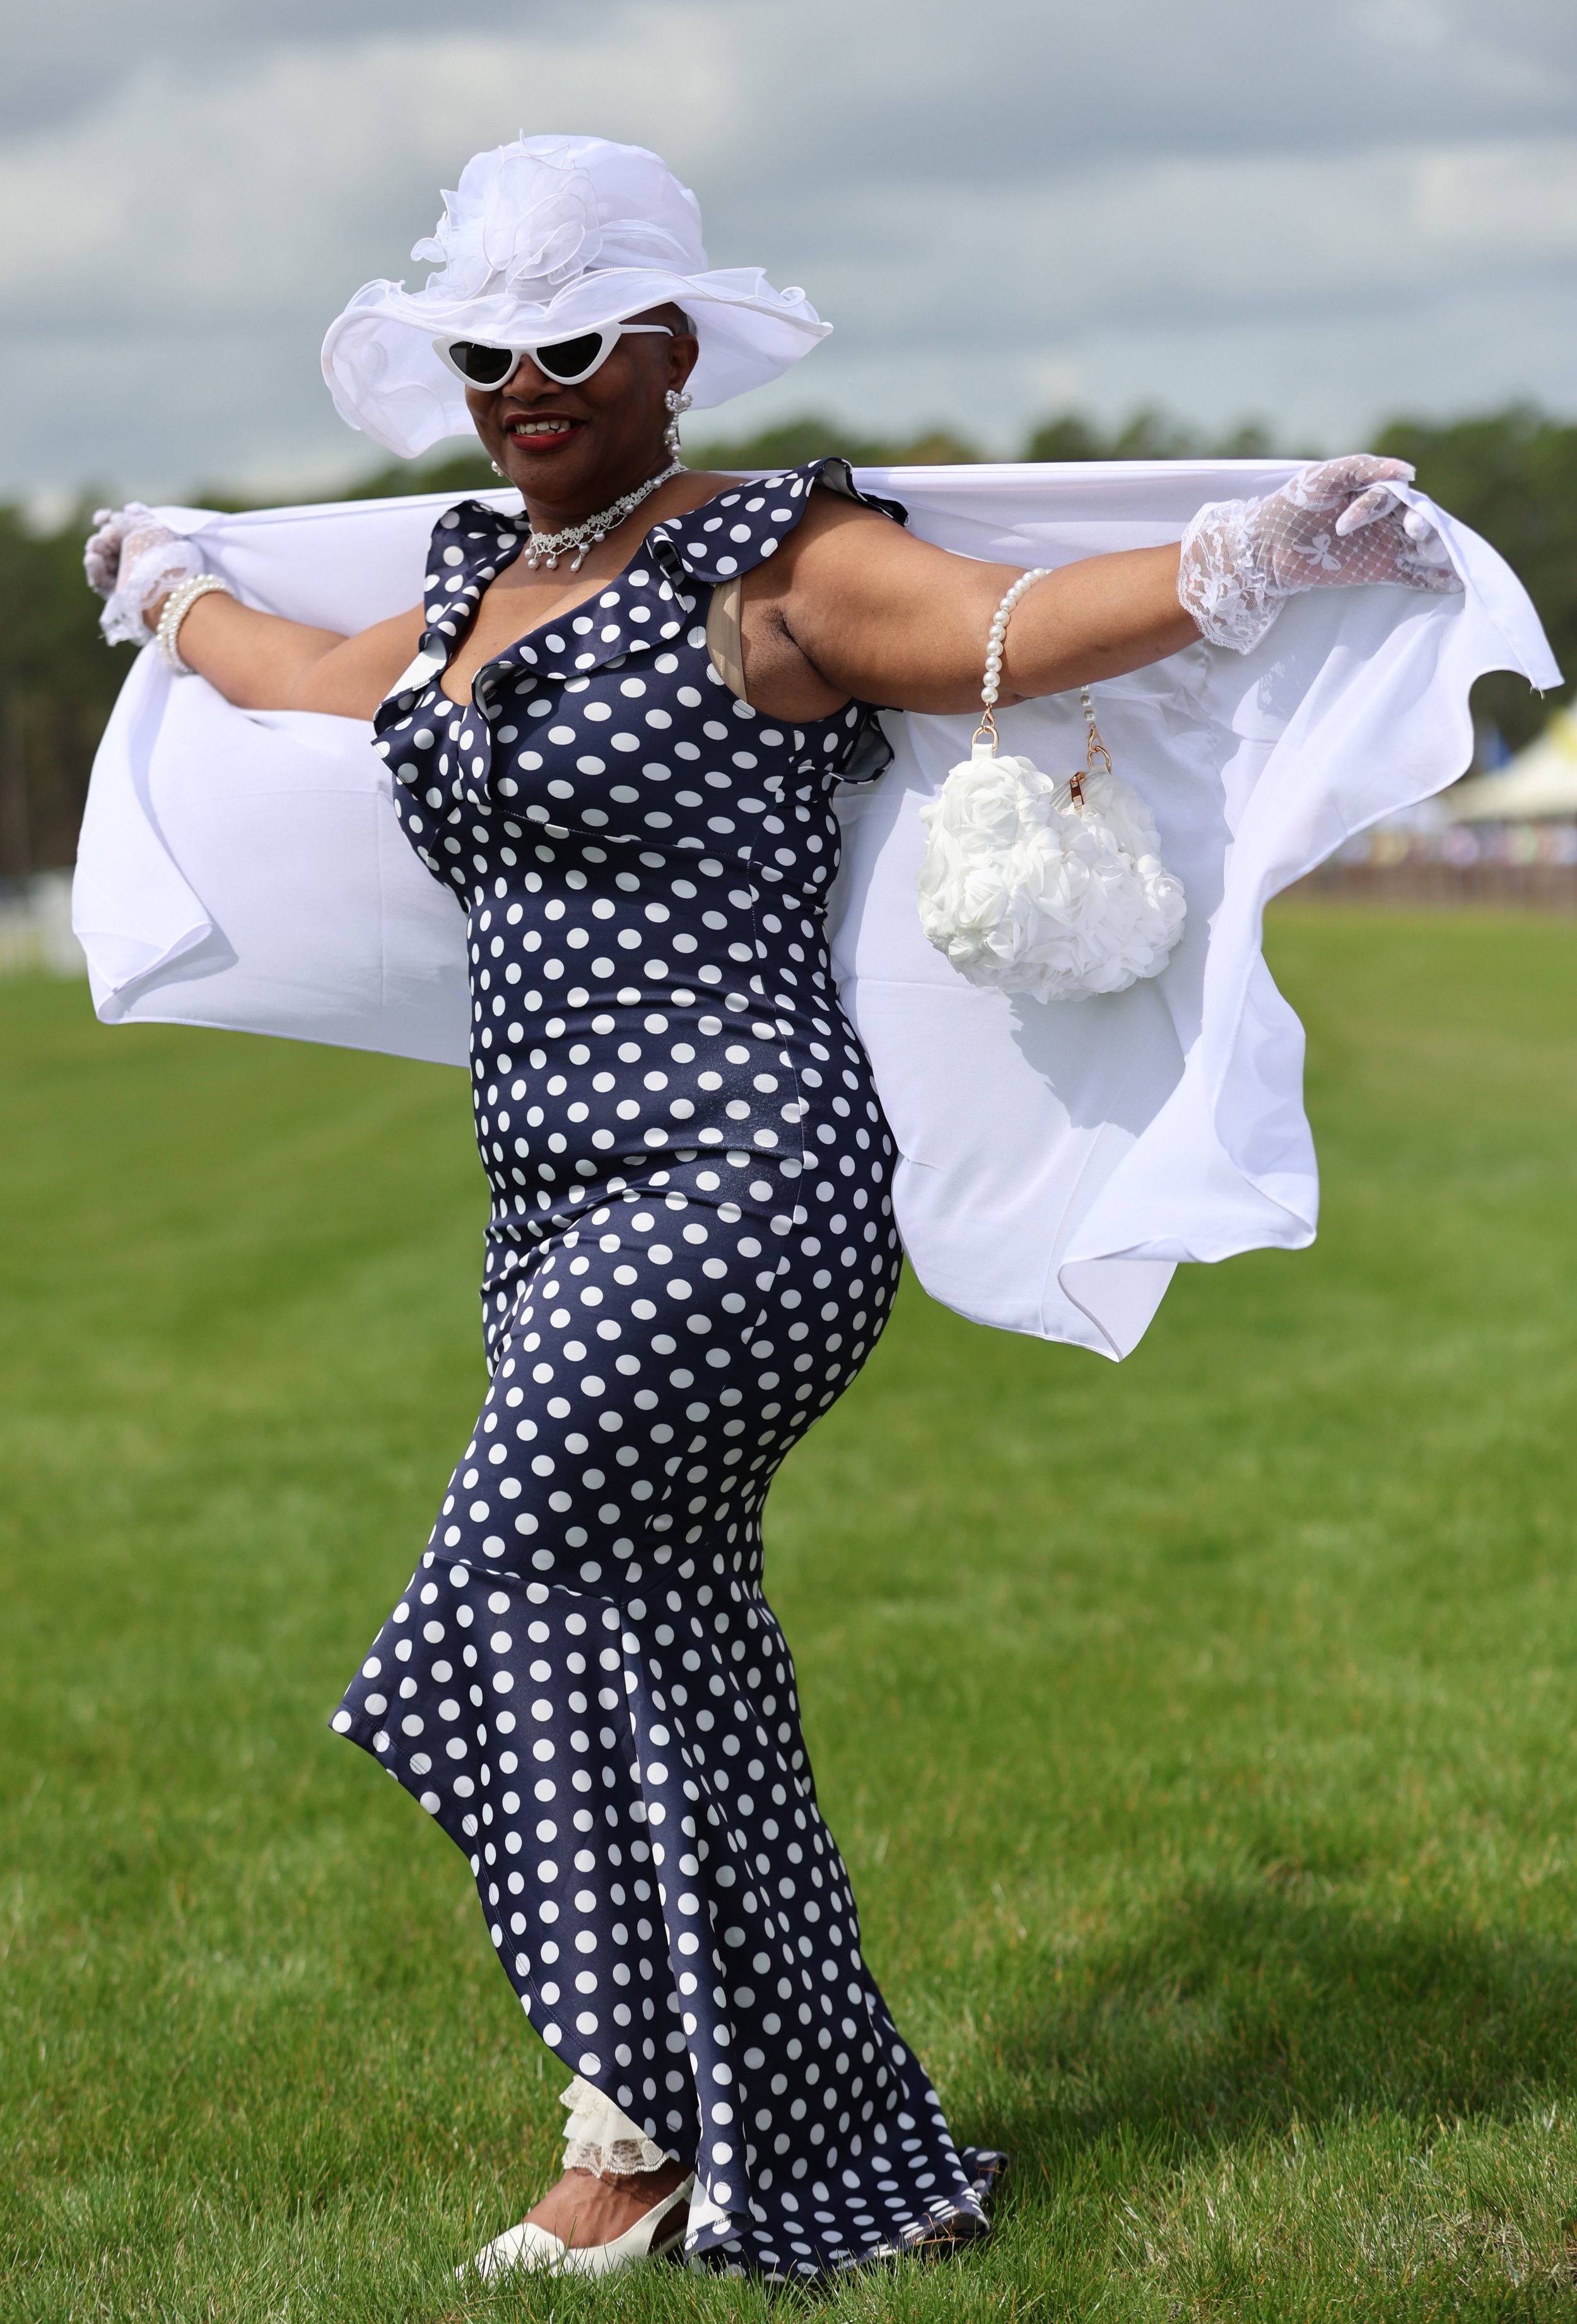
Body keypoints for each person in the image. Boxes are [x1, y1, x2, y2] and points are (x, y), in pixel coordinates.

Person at [83, 135, 1457, 2283]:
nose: (524, 386)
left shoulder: (772, 558)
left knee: (492, 1601)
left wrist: (1243, 553)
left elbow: (1001, 633)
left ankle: (627, 2122)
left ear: (668, 349)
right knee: (672, 1656)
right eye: (486, 352)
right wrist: (174, 594)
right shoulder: (466, 588)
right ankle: (828, 2150)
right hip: (540, 1203)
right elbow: (312, 687)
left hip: (741, 1183)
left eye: (571, 343)